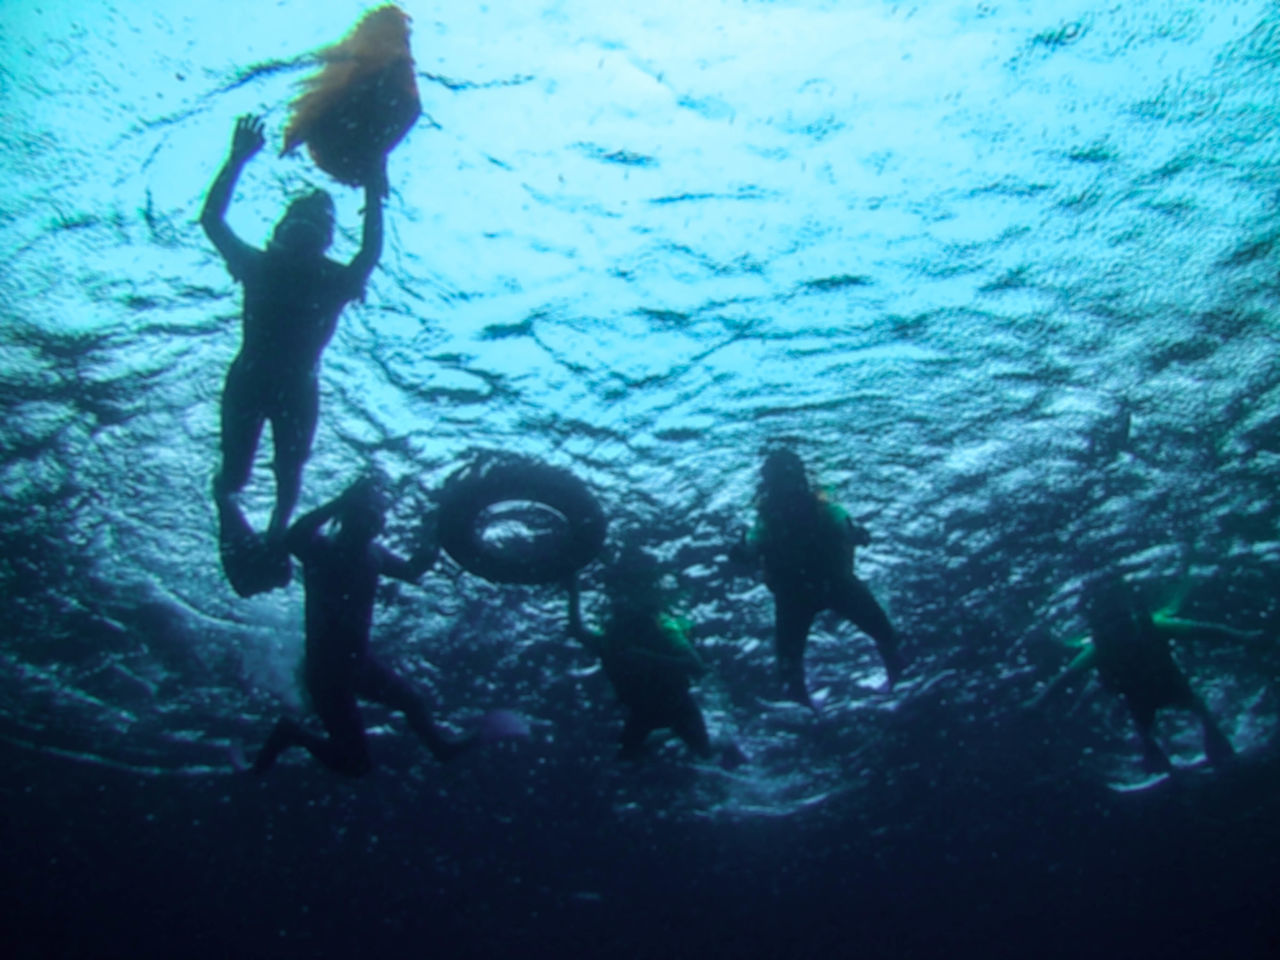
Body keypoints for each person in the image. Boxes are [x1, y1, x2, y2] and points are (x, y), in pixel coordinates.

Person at [201, 113, 386, 597]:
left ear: (323, 240)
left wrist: (372, 188)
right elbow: (212, 221)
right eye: (298, 222)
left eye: (316, 225)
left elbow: (213, 221)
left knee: (286, 474)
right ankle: (239, 514)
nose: (306, 230)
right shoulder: (272, 268)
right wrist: (371, 185)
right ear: (281, 231)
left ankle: (273, 533)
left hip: (280, 383)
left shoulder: (304, 274)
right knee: (241, 473)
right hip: (268, 381)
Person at [251, 475, 527, 776]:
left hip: (358, 662)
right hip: (326, 671)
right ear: (349, 516)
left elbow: (411, 570)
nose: (375, 521)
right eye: (367, 513)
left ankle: (440, 747)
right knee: (357, 765)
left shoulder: (374, 555)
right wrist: (342, 499)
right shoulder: (321, 550)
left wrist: (438, 533)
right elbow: (294, 536)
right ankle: (292, 734)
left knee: (413, 703)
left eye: (378, 515)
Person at [731, 448, 904, 709]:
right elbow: (753, 546)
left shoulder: (799, 512)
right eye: (782, 479)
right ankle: (895, 683)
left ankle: (893, 684)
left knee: (790, 665)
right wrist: (744, 553)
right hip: (825, 587)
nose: (788, 487)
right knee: (884, 637)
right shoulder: (795, 513)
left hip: (807, 591)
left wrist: (856, 534)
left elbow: (846, 527)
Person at [1025, 577, 1254, 774]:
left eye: (1123, 621)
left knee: (1197, 711)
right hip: (1140, 694)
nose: (1120, 630)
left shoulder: (1153, 627)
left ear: (1133, 616)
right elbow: (1064, 679)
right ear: (1099, 629)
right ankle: (1158, 757)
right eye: (1111, 625)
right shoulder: (1099, 649)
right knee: (1148, 728)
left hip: (1165, 684)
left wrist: (1244, 636)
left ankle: (1203, 746)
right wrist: (1038, 703)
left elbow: (1208, 632)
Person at [565, 545, 743, 766]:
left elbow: (696, 666)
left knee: (704, 754)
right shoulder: (610, 639)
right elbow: (577, 630)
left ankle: (716, 742)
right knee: (626, 758)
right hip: (642, 710)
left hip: (678, 706)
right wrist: (572, 584)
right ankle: (672, 734)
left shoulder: (662, 626)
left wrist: (646, 657)